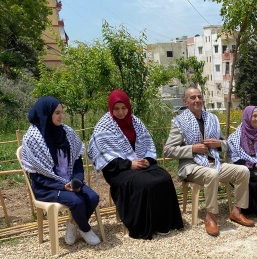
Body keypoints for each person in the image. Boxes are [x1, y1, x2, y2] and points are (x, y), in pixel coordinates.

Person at [88, 89, 183, 239]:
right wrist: (129, 164)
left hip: (140, 164)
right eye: (116, 109)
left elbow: (147, 144)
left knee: (164, 177)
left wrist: (147, 160)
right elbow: (105, 157)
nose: (120, 112)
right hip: (117, 170)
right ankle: (144, 226)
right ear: (111, 109)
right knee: (144, 183)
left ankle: (164, 223)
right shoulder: (103, 126)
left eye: (124, 108)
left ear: (128, 107)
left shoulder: (135, 122)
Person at [164, 86, 255, 237]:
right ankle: (210, 217)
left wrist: (218, 144)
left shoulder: (212, 119)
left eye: (199, 97)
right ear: (185, 101)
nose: (197, 100)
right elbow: (168, 150)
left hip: (215, 162)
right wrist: (192, 148)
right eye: (193, 98)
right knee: (211, 174)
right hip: (192, 166)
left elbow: (226, 145)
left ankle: (237, 211)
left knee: (243, 171)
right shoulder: (179, 122)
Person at [21, 96, 101, 246]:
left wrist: (76, 180)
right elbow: (36, 176)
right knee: (76, 201)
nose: (61, 116)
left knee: (93, 197)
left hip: (69, 182)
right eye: (57, 113)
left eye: (61, 112)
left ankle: (72, 224)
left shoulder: (66, 132)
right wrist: (62, 186)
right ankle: (85, 229)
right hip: (47, 187)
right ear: (46, 113)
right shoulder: (32, 138)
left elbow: (77, 160)